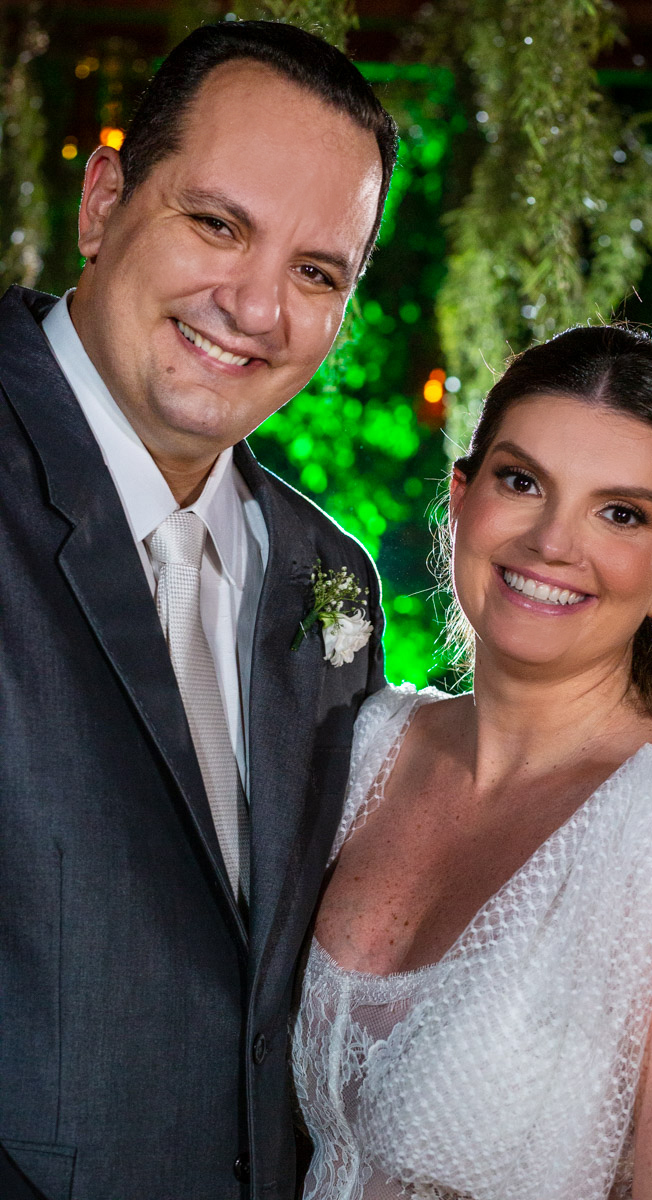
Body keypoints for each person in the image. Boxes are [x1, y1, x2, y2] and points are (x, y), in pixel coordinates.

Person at [0, 20, 397, 1200]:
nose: (256, 307)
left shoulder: (330, 580)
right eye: (217, 224)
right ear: (103, 202)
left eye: (316, 273)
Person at [291, 324, 652, 1200]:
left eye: (621, 513)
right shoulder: (372, 745)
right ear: (461, 497)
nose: (553, 543)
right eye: (522, 482)